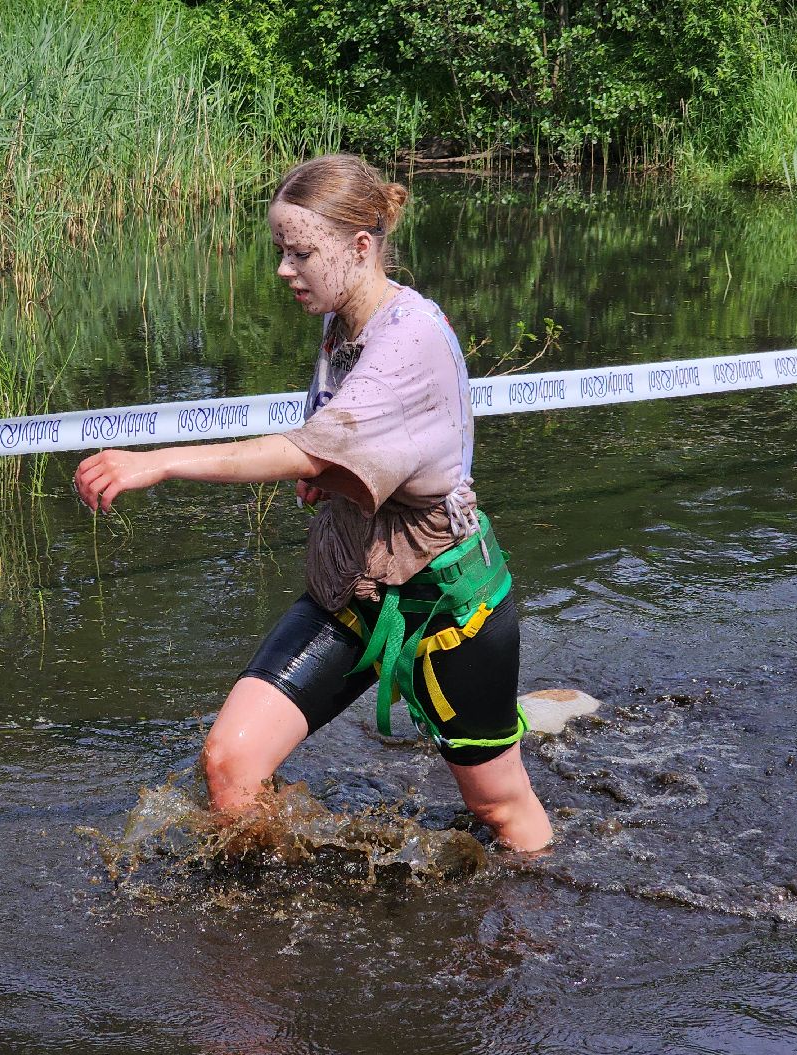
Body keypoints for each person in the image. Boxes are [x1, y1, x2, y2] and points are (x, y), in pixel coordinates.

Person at [74, 154, 551, 852]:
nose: (284, 270)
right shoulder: (339, 320)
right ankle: (268, 929)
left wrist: (161, 462)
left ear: (362, 247)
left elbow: (307, 448)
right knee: (231, 763)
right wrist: (331, 475)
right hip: (350, 588)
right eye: (280, 252)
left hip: (448, 605)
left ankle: (532, 939)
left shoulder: (409, 336)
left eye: (301, 253)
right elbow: (341, 445)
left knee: (500, 808)